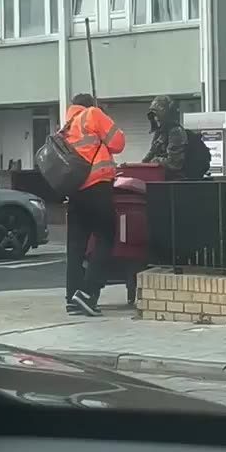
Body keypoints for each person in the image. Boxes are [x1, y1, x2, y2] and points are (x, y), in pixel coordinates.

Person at [64, 93, 125, 317]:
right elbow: (118, 143)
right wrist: (104, 117)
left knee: (76, 246)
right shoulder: (92, 115)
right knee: (106, 237)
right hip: (97, 186)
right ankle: (88, 293)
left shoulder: (67, 126)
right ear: (91, 105)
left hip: (75, 191)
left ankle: (72, 298)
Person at [143, 95, 187, 179]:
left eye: (157, 115)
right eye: (153, 116)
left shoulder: (176, 132)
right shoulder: (160, 132)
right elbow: (151, 154)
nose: (156, 119)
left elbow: (174, 163)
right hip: (159, 179)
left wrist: (155, 161)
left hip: (173, 182)